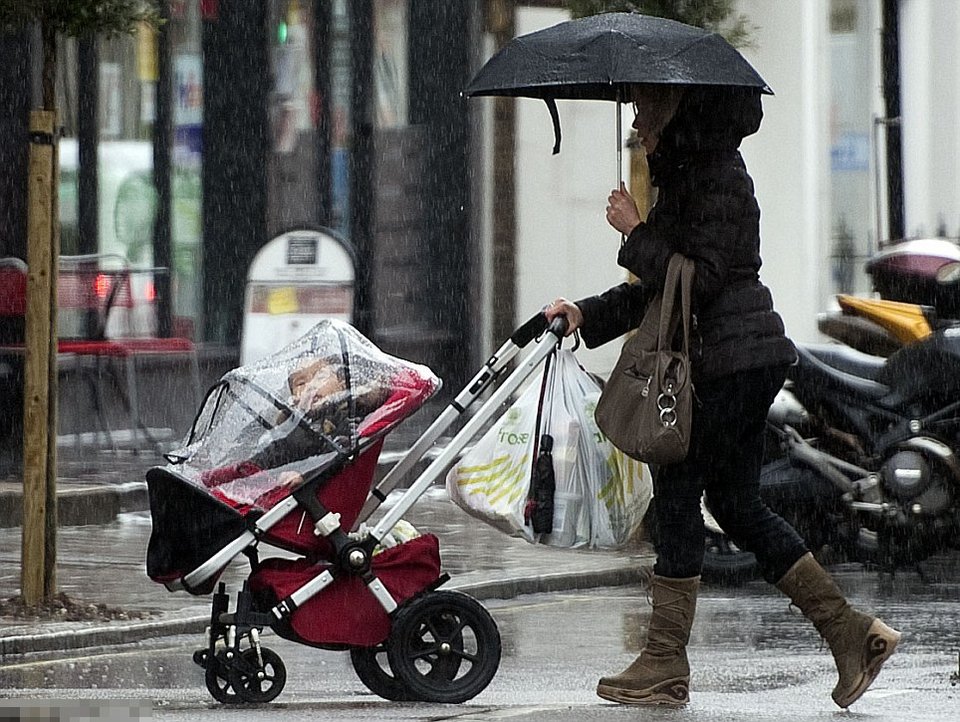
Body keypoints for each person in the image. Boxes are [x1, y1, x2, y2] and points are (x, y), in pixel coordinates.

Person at [544, 83, 900, 709]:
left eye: (647, 110)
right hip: (732, 361)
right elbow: (663, 290)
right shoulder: (690, 174)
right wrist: (587, 312)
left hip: (729, 362)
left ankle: (664, 660)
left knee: (678, 499)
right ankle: (850, 634)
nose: (638, 123)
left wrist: (635, 231)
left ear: (676, 111)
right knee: (736, 505)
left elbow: (701, 280)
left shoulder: (715, 176)